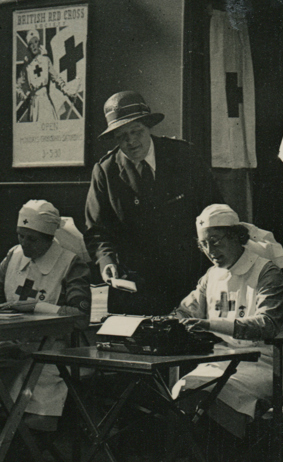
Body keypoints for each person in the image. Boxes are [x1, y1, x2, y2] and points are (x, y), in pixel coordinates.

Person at [170, 204, 283, 462]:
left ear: (236, 237)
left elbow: (267, 324)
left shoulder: (266, 271)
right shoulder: (210, 277)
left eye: (216, 240)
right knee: (185, 391)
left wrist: (211, 324)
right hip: (225, 360)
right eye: (204, 243)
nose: (210, 249)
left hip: (268, 361)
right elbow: (184, 311)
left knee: (218, 393)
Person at [84, 90, 223, 315]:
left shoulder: (184, 156)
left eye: (136, 131)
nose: (131, 141)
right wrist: (106, 261)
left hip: (190, 277)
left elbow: (215, 210)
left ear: (148, 127)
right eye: (122, 136)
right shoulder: (105, 171)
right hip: (137, 285)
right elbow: (97, 230)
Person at [0, 200, 91, 434]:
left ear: (49, 239)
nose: (24, 244)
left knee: (36, 412)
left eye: (32, 239)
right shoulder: (13, 256)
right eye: (20, 236)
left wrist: (37, 306)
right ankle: (13, 460)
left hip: (53, 349)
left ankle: (19, 461)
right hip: (11, 347)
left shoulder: (71, 263)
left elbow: (80, 317)